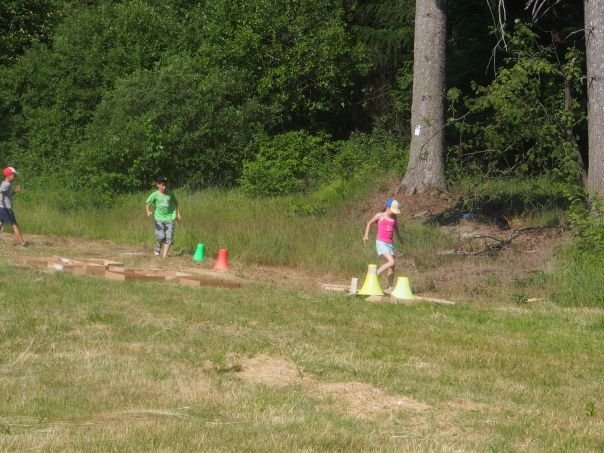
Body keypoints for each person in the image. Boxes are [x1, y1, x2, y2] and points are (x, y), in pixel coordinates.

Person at [363, 198, 403, 292]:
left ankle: (389, 287)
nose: (394, 213)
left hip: (389, 244)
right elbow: (369, 223)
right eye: (393, 210)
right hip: (381, 242)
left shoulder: (394, 218)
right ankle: (375, 274)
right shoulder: (380, 216)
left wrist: (399, 238)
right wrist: (366, 235)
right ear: (387, 208)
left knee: (392, 266)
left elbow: (396, 228)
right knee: (391, 261)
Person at [145, 176, 182, 258]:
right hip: (159, 219)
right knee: (161, 237)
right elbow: (147, 204)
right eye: (162, 185)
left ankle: (164, 257)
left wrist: (178, 214)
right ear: (157, 185)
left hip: (170, 218)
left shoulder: (170, 194)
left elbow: (176, 203)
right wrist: (148, 211)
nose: (164, 187)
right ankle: (158, 246)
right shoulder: (155, 195)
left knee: (169, 238)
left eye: (165, 185)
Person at [0, 166, 27, 246]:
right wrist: (1, 200)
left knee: (1, 222)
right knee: (14, 224)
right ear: (8, 175)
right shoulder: (6, 184)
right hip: (5, 208)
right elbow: (0, 191)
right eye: (14, 175)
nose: (15, 177)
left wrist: (15, 191)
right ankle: (22, 242)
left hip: (1, 208)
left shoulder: (6, 184)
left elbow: (8, 195)